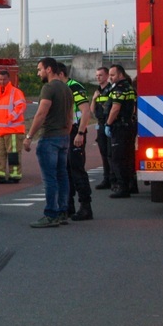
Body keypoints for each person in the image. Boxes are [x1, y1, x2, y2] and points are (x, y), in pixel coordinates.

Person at [23, 58, 73, 228]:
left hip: (50, 137)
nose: (38, 73)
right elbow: (70, 115)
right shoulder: (67, 89)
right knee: (62, 176)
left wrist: (29, 136)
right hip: (64, 137)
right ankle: (63, 211)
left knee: (50, 178)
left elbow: (41, 113)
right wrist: (67, 132)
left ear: (49, 69)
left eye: (40, 69)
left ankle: (51, 213)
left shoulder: (49, 88)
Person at [105, 64, 138, 199]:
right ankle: (131, 185)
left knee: (118, 158)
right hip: (129, 125)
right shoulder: (129, 88)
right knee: (128, 157)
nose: (110, 78)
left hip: (120, 127)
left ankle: (123, 188)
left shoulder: (119, 89)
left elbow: (115, 108)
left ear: (120, 74)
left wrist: (108, 123)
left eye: (112, 75)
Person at [65, 71, 94, 221]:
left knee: (77, 169)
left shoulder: (74, 87)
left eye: (40, 70)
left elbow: (85, 111)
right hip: (66, 132)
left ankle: (85, 207)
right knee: (66, 170)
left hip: (76, 131)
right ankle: (68, 206)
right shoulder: (62, 87)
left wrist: (80, 133)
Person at [90, 66, 113, 190]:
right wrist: (93, 99)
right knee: (103, 152)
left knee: (111, 153)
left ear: (107, 76)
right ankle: (106, 179)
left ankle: (112, 178)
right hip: (100, 123)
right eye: (97, 75)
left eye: (100, 75)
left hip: (109, 123)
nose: (98, 78)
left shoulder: (111, 90)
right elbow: (92, 111)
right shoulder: (97, 91)